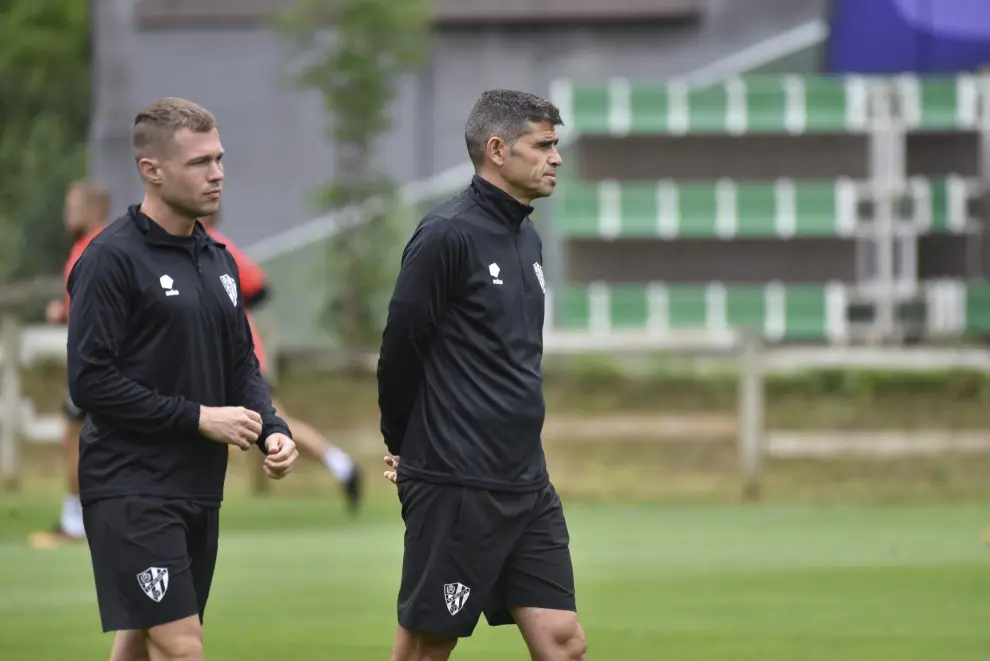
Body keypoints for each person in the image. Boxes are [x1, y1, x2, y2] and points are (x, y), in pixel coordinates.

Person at [66, 97, 299, 661]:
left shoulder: (218, 261)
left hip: (197, 487)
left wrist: (273, 427)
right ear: (152, 170)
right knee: (182, 647)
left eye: (218, 159)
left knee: (142, 642)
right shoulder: (109, 259)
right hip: (130, 486)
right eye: (200, 162)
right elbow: (89, 382)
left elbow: (240, 365)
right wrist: (198, 417)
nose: (217, 173)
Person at [377, 89, 587, 661]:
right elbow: (400, 351)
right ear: (497, 149)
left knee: (564, 643)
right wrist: (403, 444)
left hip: (525, 481)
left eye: (556, 144)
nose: (556, 158)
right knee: (427, 645)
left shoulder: (528, 237)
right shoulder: (446, 235)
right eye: (542, 145)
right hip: (455, 480)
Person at [199, 212, 363, 512]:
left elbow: (260, 287)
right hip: (217, 358)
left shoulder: (213, 246)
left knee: (272, 422)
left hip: (241, 358)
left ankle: (341, 465)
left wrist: (226, 312)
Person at [27, 180, 109, 549]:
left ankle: (76, 524)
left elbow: (94, 308)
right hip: (100, 359)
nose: (67, 213)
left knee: (73, 440)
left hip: (94, 360)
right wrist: (65, 312)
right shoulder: (93, 247)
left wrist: (65, 314)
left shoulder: (93, 248)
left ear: (94, 211)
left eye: (73, 206)